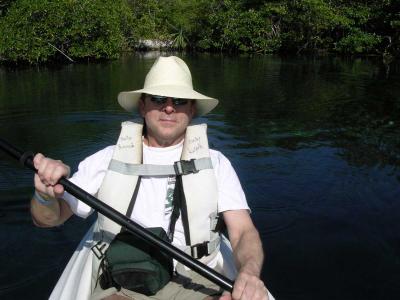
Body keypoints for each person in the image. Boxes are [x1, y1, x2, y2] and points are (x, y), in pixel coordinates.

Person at [31, 56, 270, 300]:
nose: (169, 107)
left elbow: (242, 231)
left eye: (179, 101)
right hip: (124, 278)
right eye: (158, 99)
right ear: (143, 106)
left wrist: (249, 272)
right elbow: (50, 219)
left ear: (192, 109)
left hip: (197, 278)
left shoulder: (216, 163)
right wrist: (44, 196)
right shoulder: (107, 159)